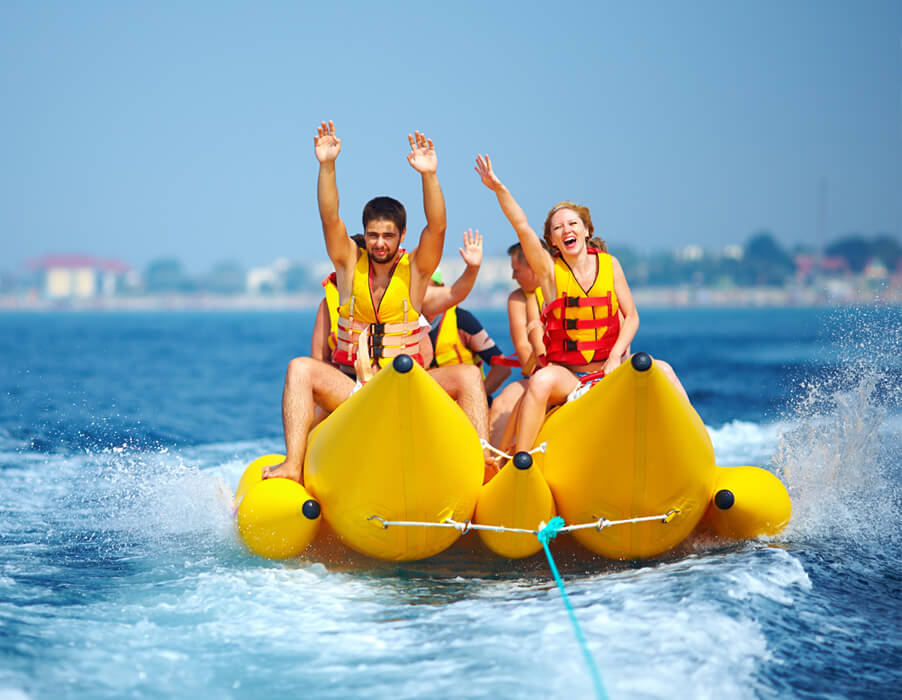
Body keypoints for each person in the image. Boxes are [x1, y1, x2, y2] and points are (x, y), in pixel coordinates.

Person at [262, 121, 488, 483]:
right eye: (372, 235)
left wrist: (429, 176)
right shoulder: (350, 265)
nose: (379, 243)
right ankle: (293, 466)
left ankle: (480, 466)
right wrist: (327, 166)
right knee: (299, 368)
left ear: (401, 237)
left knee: (469, 375)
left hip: (407, 385)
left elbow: (438, 227)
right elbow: (329, 217)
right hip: (355, 388)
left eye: (387, 235)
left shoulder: (415, 269)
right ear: (364, 236)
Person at [475, 153, 687, 456]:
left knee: (664, 371)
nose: (566, 230)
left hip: (610, 367)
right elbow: (521, 226)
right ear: (551, 240)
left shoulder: (610, 265)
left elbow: (632, 317)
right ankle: (523, 463)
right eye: (558, 228)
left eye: (573, 223)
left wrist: (615, 357)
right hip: (570, 374)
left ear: (587, 230)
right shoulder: (549, 272)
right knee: (540, 382)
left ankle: (695, 450)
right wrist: (499, 189)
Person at [421, 230, 511, 401]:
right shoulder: (406, 323)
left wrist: (475, 397)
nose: (425, 295)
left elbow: (502, 367)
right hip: (429, 407)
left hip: (465, 404)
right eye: (418, 290)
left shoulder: (462, 320)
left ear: (442, 288)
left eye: (430, 288)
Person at [487, 242, 546, 446]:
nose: (514, 277)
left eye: (516, 270)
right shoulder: (518, 299)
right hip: (536, 375)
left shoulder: (566, 287)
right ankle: (493, 465)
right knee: (502, 403)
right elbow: (523, 351)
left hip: (573, 372)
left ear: (533, 265)